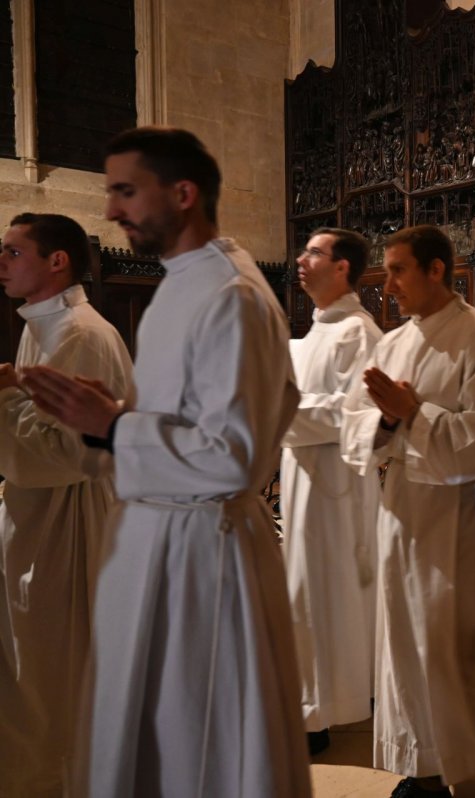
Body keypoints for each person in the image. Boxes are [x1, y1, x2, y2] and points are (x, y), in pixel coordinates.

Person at [21, 127, 311, 796]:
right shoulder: (187, 282)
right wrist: (108, 423)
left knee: (198, 749)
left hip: (204, 558)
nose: (111, 212)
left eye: (125, 191)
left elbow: (233, 457)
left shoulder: (230, 295)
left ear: (182, 194)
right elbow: (182, 424)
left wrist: (117, 424)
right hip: (162, 544)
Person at [340, 226, 475, 798]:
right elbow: (355, 427)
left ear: (436, 270)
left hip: (467, 513)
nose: (387, 285)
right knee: (414, 643)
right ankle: (427, 763)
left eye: (398, 270)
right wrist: (386, 420)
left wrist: (413, 414)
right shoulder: (392, 343)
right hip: (407, 512)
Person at [0, 213, 134, 796]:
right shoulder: (45, 326)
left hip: (70, 520)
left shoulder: (80, 334)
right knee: (39, 666)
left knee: (58, 666)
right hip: (43, 513)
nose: (2, 263)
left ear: (57, 262)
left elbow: (67, 453)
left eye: (12, 252)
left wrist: (4, 398)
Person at [281, 227, 381, 754]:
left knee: (322, 593)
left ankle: (320, 711)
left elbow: (356, 413)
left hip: (335, 486)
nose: (301, 259)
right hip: (303, 480)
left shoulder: (358, 333)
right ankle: (317, 701)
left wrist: (281, 406)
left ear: (342, 268)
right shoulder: (313, 331)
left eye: (314, 253)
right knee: (307, 593)